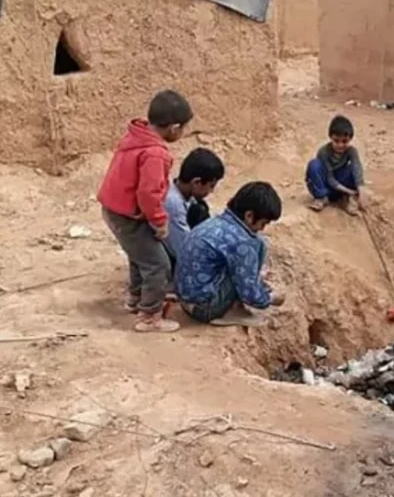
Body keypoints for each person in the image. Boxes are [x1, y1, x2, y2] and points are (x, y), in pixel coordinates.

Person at [97, 89, 193, 333]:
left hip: (116, 209)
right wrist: (159, 222)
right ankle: (150, 315)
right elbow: (149, 193)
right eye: (183, 129)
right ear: (174, 128)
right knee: (158, 265)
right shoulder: (155, 153)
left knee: (140, 255)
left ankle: (136, 298)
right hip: (128, 214)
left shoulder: (136, 136)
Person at [174, 181, 285, 326]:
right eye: (263, 223)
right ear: (249, 216)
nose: (262, 228)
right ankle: (230, 311)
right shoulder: (242, 242)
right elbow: (250, 294)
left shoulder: (215, 222)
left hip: (185, 301)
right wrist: (270, 298)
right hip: (204, 309)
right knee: (251, 254)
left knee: (257, 244)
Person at [162, 147, 225, 268]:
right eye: (211, 186)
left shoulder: (183, 193)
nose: (211, 191)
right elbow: (184, 250)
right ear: (197, 182)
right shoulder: (174, 205)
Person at [305, 115, 366, 215]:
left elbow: (357, 169)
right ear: (330, 137)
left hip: (340, 188)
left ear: (350, 139)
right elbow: (330, 179)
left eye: (344, 141)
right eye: (336, 141)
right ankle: (321, 198)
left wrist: (362, 191)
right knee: (314, 165)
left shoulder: (351, 151)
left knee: (353, 169)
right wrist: (350, 191)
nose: (340, 145)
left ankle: (345, 199)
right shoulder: (324, 152)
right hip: (326, 185)